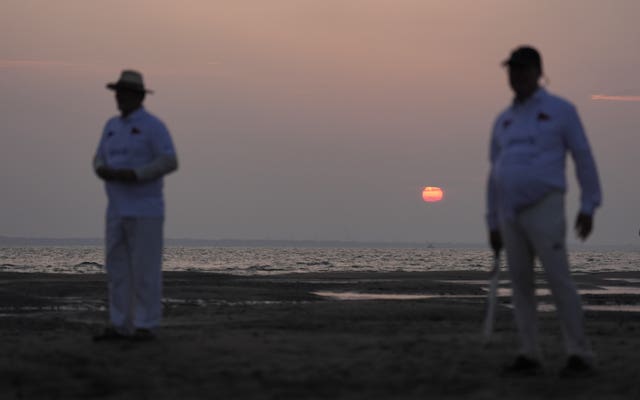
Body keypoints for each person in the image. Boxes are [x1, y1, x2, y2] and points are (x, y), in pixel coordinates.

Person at [486, 46, 602, 376]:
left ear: (538, 71)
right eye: (512, 69)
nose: (516, 75)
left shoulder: (561, 110)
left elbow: (583, 155)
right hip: (509, 211)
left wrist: (589, 204)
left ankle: (579, 353)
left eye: (523, 69)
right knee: (520, 284)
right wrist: (492, 220)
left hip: (545, 205)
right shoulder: (503, 120)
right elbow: (494, 172)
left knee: (558, 279)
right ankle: (529, 352)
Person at [93, 70, 178, 341]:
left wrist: (137, 174)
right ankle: (120, 324)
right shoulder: (111, 126)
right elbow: (97, 158)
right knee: (117, 268)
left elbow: (169, 160)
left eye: (123, 92)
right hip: (116, 208)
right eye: (117, 92)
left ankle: (146, 325)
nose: (118, 97)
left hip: (145, 209)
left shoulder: (154, 126)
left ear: (137, 96)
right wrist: (102, 170)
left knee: (145, 270)